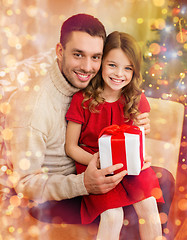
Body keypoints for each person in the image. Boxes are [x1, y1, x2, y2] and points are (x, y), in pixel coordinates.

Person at [3, 14, 151, 223]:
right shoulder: (33, 105)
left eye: (96, 57)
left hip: (92, 170)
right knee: (131, 213)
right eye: (78, 55)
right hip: (55, 197)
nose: (87, 67)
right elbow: (25, 183)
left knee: (160, 182)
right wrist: (84, 184)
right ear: (60, 51)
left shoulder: (90, 85)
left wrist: (137, 130)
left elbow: (109, 121)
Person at [65, 31, 164, 240]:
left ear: (134, 70)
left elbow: (140, 140)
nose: (119, 73)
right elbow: (71, 147)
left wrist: (142, 152)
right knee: (112, 216)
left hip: (129, 164)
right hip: (96, 163)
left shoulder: (136, 99)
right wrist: (98, 161)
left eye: (127, 68)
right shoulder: (81, 100)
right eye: (112, 65)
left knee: (149, 204)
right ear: (101, 63)